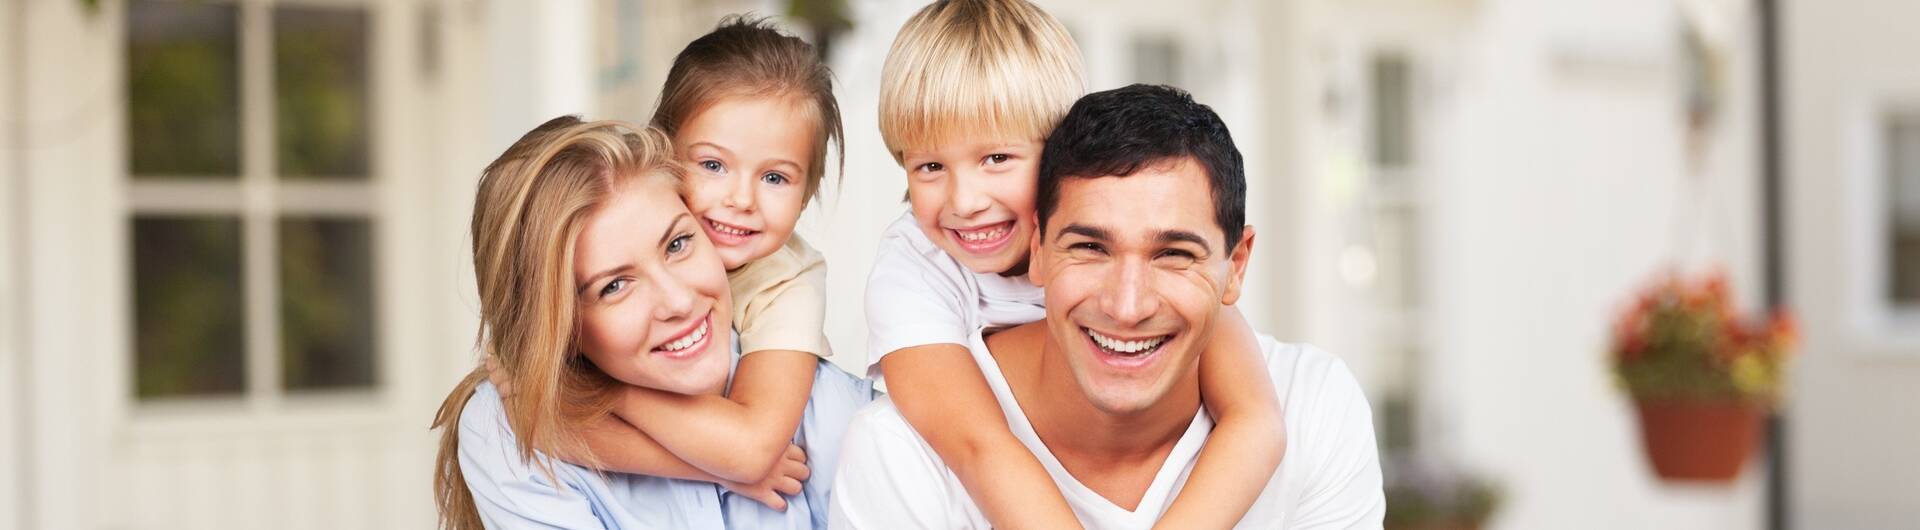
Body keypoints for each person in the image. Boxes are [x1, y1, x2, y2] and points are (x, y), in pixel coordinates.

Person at [833, 85, 1385, 529]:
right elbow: (978, 444)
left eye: (1174, 254)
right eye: (1091, 248)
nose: (1127, 306)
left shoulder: (1312, 408)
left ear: (1235, 265)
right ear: (1038, 248)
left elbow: (1258, 421)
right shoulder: (902, 454)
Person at [860, 1, 1287, 527]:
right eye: (929, 165)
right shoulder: (913, 270)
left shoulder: (1144, 259)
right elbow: (978, 444)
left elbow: (1256, 422)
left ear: (1061, 152)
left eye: (997, 159)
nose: (964, 199)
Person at [431, 117, 871, 529]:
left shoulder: (835, 414)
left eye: (678, 243)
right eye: (615, 286)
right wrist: (718, 471)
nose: (679, 301)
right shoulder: (505, 430)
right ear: (558, 327)